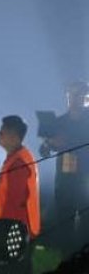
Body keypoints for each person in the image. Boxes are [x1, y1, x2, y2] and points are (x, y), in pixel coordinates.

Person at [39, 82, 89, 252]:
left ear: (85, 97)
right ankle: (67, 266)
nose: (73, 99)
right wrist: (49, 143)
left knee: (86, 227)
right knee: (65, 227)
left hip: (85, 181)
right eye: (70, 95)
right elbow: (44, 151)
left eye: (77, 95)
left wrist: (68, 143)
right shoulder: (58, 122)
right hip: (64, 182)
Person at [0, 115, 40, 238]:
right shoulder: (16, 157)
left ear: (14, 137)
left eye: (2, 132)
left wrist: (2, 229)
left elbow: (14, 202)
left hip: (16, 229)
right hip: (18, 227)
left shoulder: (18, 163)